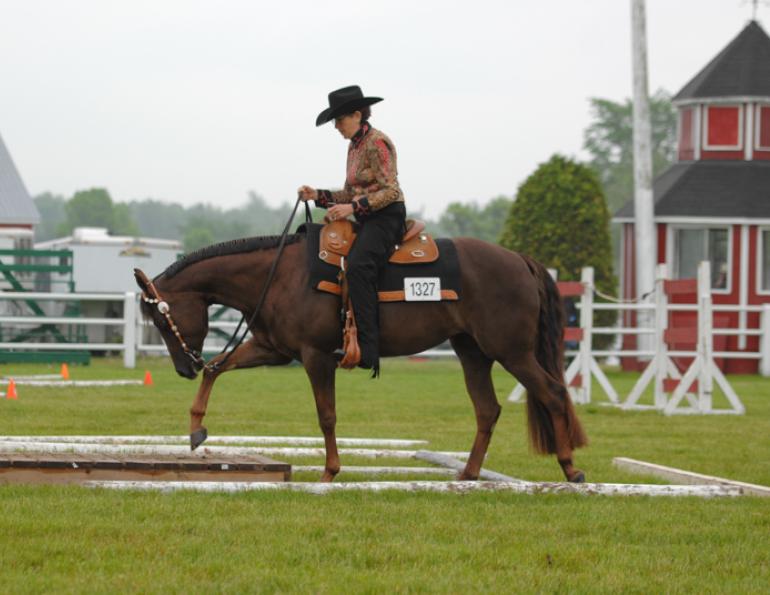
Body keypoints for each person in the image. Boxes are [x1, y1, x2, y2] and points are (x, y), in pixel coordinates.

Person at [299, 85, 406, 376]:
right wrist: (318, 195)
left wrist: (353, 209)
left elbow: (390, 191)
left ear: (357, 114)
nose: (336, 126)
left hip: (386, 217)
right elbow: (349, 193)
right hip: (367, 216)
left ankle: (368, 350)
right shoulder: (354, 146)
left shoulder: (377, 142)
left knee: (358, 267)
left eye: (340, 119)